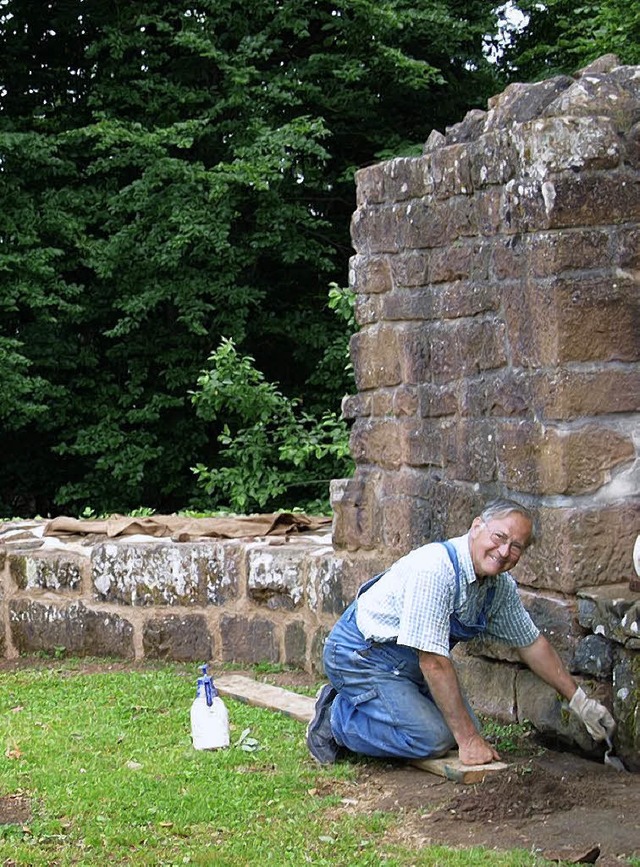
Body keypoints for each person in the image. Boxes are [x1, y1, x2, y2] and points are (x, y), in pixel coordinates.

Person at [306, 498, 615, 765]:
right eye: (499, 536)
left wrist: (580, 701)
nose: (504, 550)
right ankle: (336, 719)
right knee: (432, 739)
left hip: (407, 665)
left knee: (462, 730)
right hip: (360, 656)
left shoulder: (498, 588)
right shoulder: (436, 570)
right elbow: (433, 662)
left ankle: (376, 707)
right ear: (477, 525)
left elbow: (531, 644)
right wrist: (467, 740)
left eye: (516, 546)